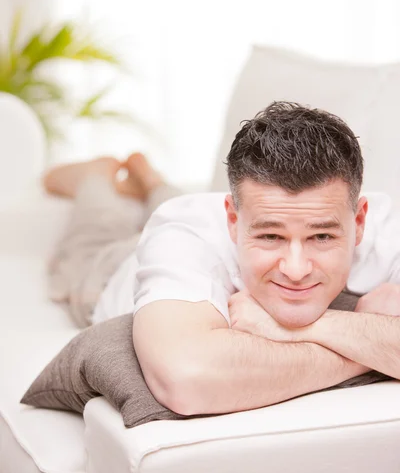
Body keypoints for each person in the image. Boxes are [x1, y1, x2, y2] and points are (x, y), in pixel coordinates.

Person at [44, 101, 400, 417]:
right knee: (96, 235)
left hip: (190, 222)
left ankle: (152, 180)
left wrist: (309, 328)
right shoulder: (187, 233)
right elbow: (187, 378)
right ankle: (93, 176)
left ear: (359, 220)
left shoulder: (386, 232)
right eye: (271, 236)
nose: (295, 270)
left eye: (321, 236)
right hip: (112, 270)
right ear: (232, 220)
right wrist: (370, 347)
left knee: (172, 201)